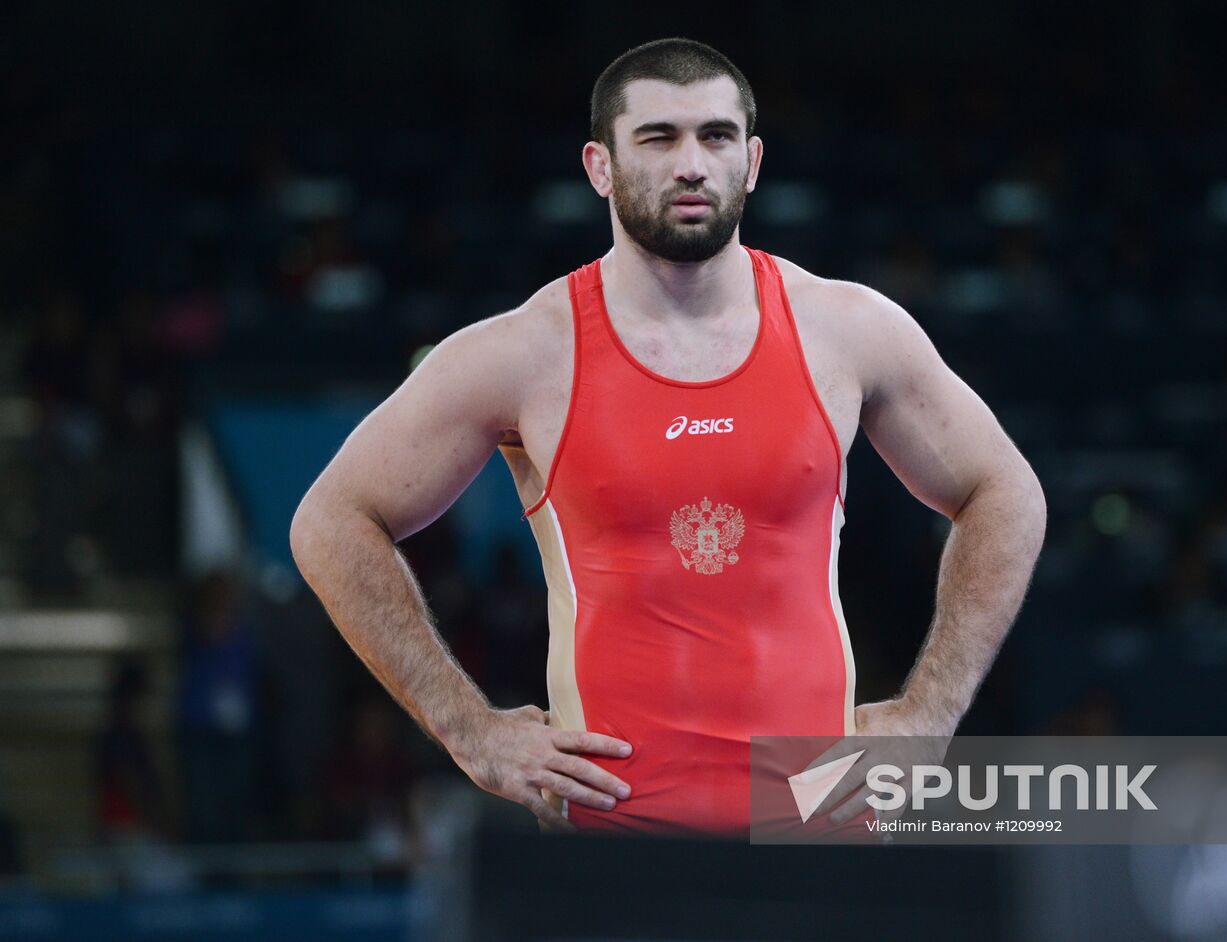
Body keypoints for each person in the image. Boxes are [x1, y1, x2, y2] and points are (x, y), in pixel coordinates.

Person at [290, 37, 1047, 838]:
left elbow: (1007, 492)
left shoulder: (845, 330)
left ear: (751, 162)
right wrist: (466, 727)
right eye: (658, 138)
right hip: (615, 854)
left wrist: (930, 718)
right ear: (600, 167)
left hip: (817, 839)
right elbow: (331, 523)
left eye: (716, 137)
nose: (692, 165)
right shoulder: (526, 354)